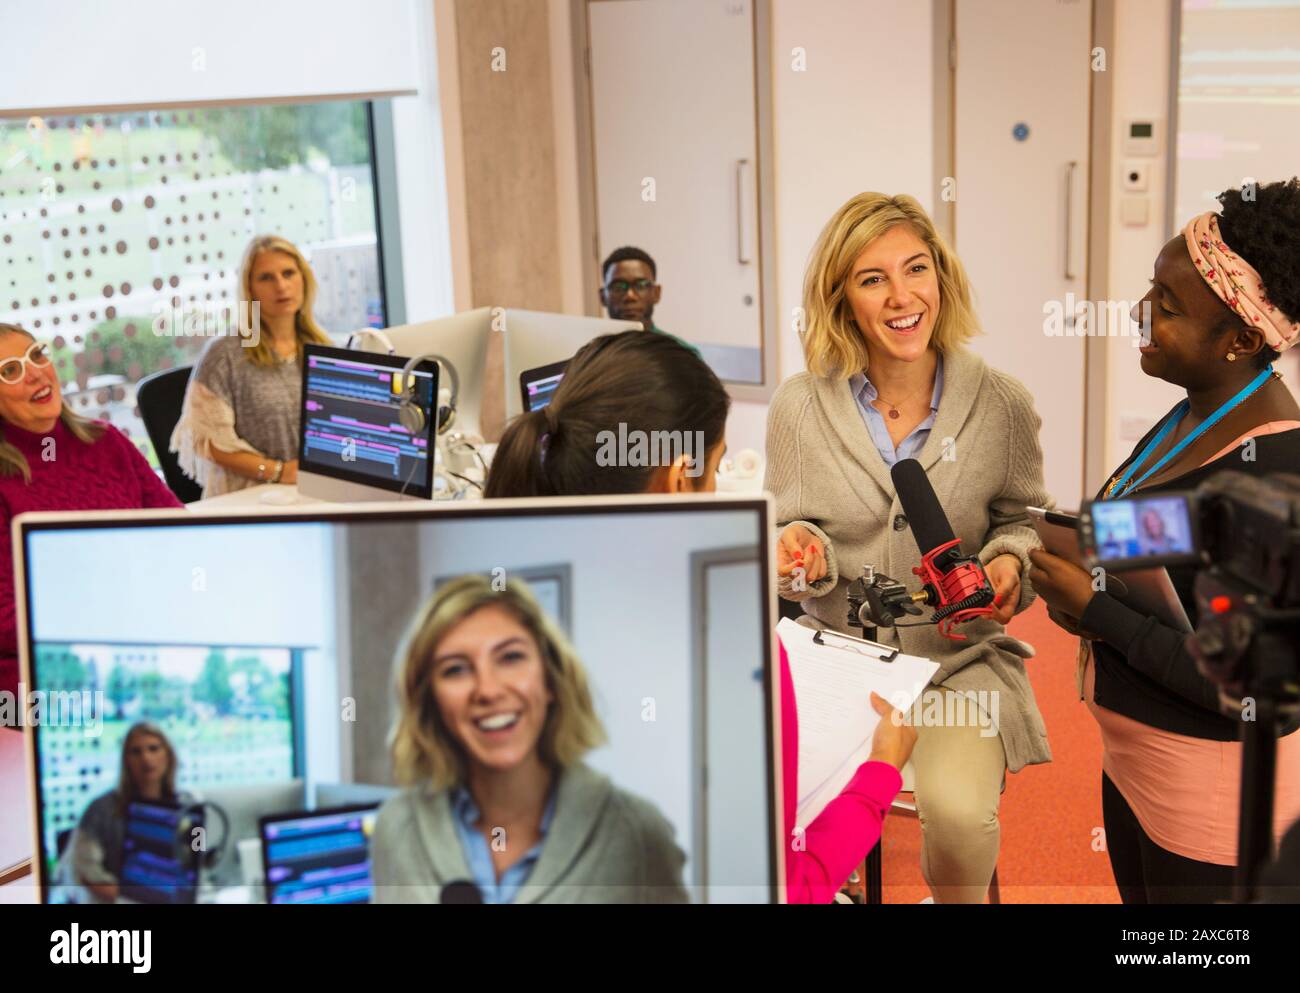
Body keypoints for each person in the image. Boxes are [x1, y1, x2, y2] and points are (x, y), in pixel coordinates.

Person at [486, 329, 918, 903]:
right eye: (715, 469)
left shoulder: (491, 622)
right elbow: (785, 889)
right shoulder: (732, 658)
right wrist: (879, 777)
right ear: (677, 476)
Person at [767, 192, 1053, 904]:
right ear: (842, 299)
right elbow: (789, 530)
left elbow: (1027, 521)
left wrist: (1012, 559)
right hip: (838, 661)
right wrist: (798, 548)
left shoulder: (1002, 403)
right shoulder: (800, 406)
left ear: (941, 278)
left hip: (956, 664)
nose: (902, 296)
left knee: (959, 817)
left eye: (916, 269)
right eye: (873, 278)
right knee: (766, 808)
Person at [1029, 178, 1300, 904]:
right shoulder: (1201, 413)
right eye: (1151, 288)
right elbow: (1176, 528)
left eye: (1168, 307)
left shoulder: (1279, 469)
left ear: (1241, 340)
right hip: (1138, 764)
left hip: (1210, 807)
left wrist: (1095, 609)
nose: (1140, 313)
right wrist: (1073, 538)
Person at [372, 573, 689, 903]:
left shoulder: (636, 833)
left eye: (510, 658)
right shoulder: (397, 829)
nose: (488, 690)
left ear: (550, 680)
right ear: (430, 701)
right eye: (456, 669)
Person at [0, 324, 182, 701]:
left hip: (147, 637)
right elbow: (5, 617)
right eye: (10, 370)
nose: (34, 372)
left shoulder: (106, 441)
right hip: (50, 676)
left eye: (35, 355)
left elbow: (177, 531)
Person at [171, 235, 332, 497]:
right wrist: (278, 471)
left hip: (311, 489)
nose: (281, 286)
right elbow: (205, 440)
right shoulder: (225, 353)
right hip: (250, 495)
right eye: (266, 278)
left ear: (304, 278)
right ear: (250, 289)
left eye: (289, 273)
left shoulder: (323, 346)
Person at [63, 722, 192, 903]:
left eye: (154, 749)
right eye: (136, 752)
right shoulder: (101, 810)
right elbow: (86, 873)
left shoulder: (187, 806)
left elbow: (195, 857)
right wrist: (136, 896)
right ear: (126, 761)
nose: (146, 758)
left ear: (168, 756)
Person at [599, 246, 699, 354]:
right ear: (603, 297)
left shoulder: (682, 354)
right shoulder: (589, 354)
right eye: (618, 287)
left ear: (656, 293)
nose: (630, 296)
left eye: (641, 285)